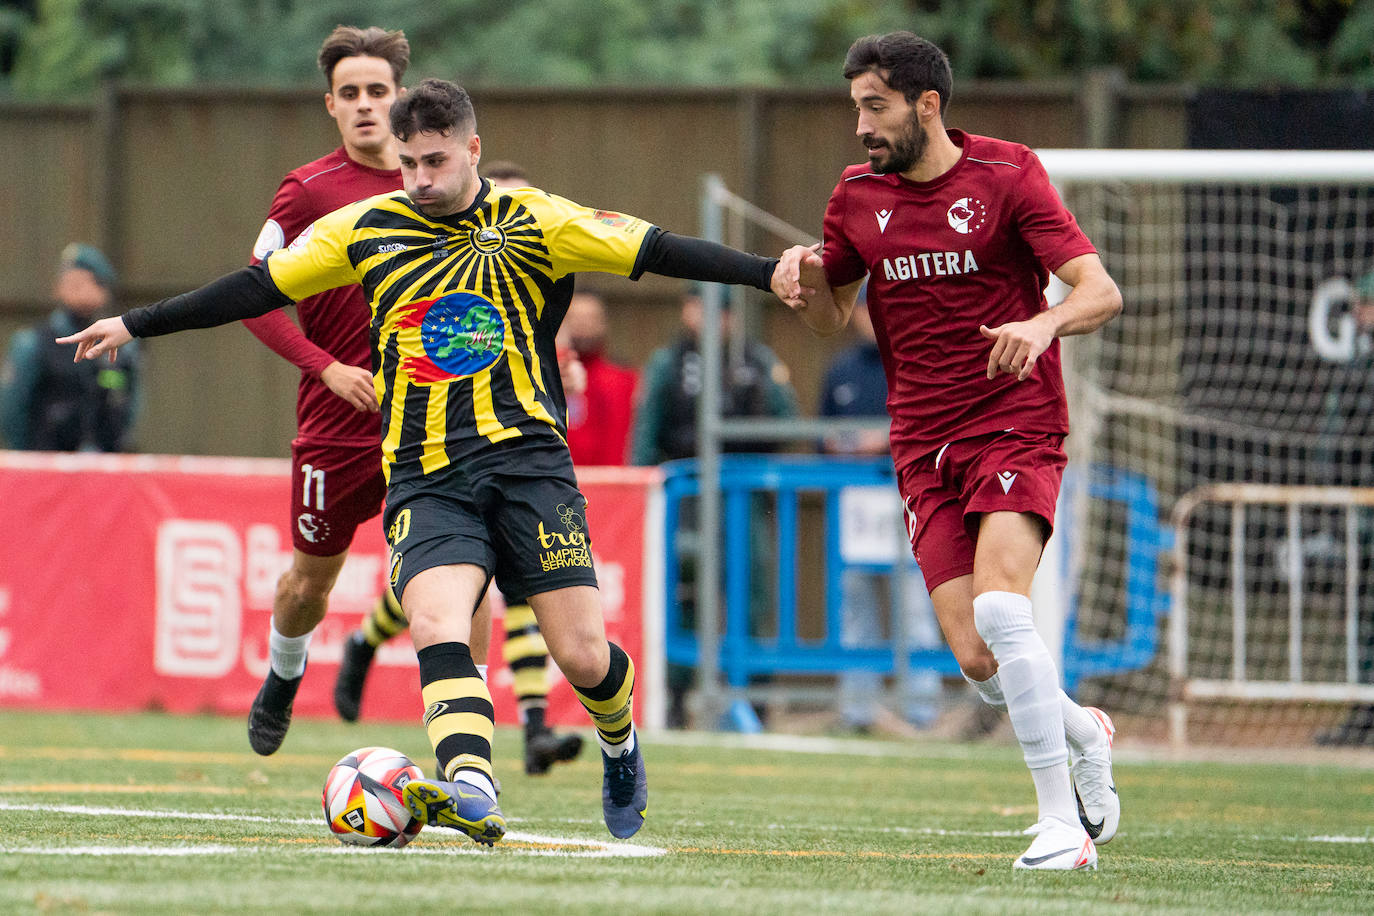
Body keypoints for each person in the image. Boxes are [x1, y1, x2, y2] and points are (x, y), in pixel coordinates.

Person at [60, 78, 790, 845]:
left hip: (530, 465)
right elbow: (254, 289)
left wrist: (766, 271)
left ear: (473, 149)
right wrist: (135, 324)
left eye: (435, 161)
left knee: (582, 655)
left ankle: (620, 742)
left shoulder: (537, 219)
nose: (420, 180)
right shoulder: (363, 228)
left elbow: (662, 248)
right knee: (438, 623)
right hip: (424, 473)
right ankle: (471, 784)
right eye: (407, 164)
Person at [775, 32, 1123, 871]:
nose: (861, 124)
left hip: (1014, 418)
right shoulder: (856, 196)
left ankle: (1058, 827)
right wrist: (805, 285)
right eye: (856, 106)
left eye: (875, 106)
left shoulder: (1008, 174)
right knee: (975, 655)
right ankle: (1085, 730)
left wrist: (1041, 324)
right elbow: (831, 317)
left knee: (1007, 613)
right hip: (921, 441)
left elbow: (1099, 290)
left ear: (927, 104)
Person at [333, 159, 585, 777]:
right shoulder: (445, 282)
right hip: (441, 462)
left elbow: (559, 377)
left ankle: (529, 730)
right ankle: (369, 642)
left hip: (525, 461)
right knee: (452, 597)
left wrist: (566, 383)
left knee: (524, 593)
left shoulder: (541, 284)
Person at [631, 289, 799, 728]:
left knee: (752, 595)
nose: (709, 319)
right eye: (699, 308)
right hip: (686, 499)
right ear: (686, 310)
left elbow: (787, 422)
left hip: (743, 498)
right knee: (682, 593)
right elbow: (646, 438)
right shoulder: (668, 363)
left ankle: (755, 696)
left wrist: (745, 436)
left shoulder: (755, 361)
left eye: (720, 312)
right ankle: (676, 695)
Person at [819, 289, 944, 735]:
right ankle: (857, 710)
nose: (870, 319)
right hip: (854, 510)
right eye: (862, 310)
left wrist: (885, 441)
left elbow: (933, 427)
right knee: (855, 606)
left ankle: (922, 709)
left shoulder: (916, 364)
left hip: (910, 503)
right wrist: (841, 446)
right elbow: (821, 436)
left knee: (914, 604)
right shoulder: (841, 370)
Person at [1, 244, 139, 452]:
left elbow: (130, 404)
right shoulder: (33, 343)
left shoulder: (122, 347)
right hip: (48, 465)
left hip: (104, 465)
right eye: (72, 281)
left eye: (89, 281)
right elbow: (12, 410)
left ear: (104, 290)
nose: (80, 288)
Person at [1316, 266, 1374, 748]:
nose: (1360, 314)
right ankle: (1364, 707)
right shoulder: (1356, 365)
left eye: (1368, 304)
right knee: (1362, 610)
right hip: (1360, 510)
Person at [557, 289, 638, 465]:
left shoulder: (625, 380)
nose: (583, 325)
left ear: (603, 323)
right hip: (559, 481)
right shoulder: (546, 379)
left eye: (590, 319)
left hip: (613, 482)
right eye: (575, 319)